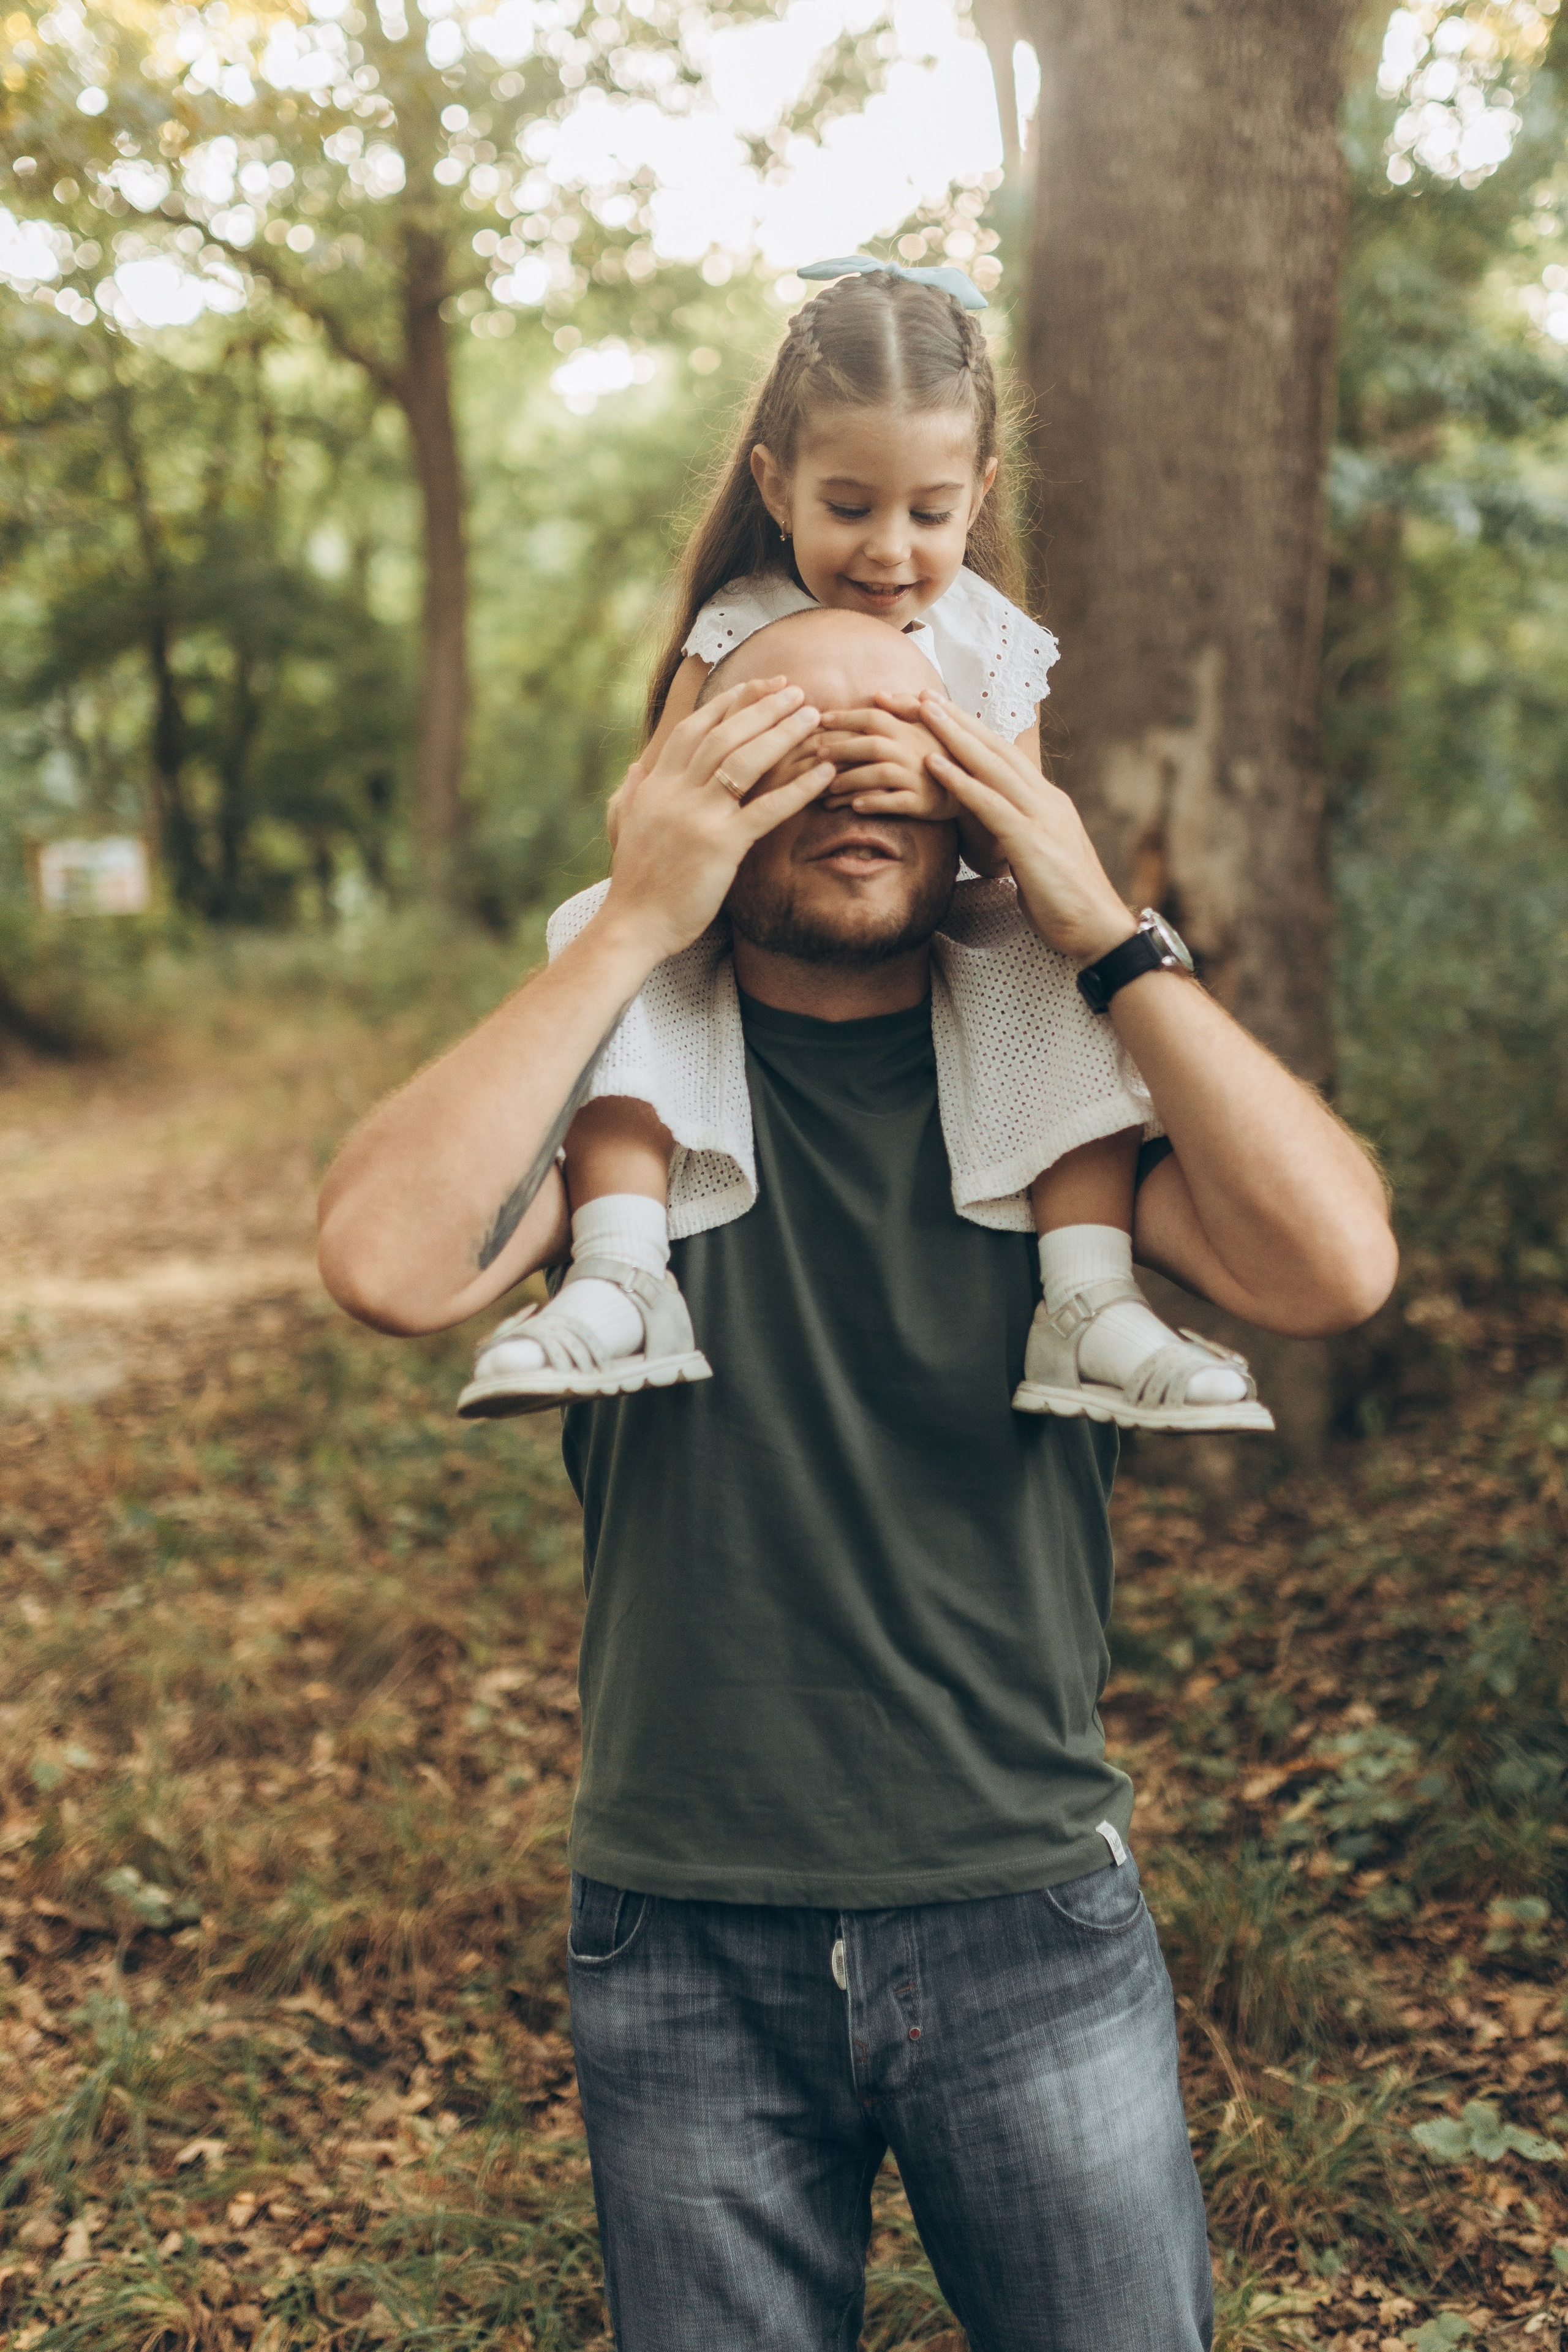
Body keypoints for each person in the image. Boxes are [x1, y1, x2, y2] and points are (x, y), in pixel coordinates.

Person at [316, 620, 1398, 2351]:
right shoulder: (641, 1098)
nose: (854, 790)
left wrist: (1104, 932)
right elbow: (384, 1258)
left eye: (904, 745)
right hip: (680, 1938)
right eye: (790, 749)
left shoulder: (1054, 1117)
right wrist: (627, 927)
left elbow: (1336, 1268)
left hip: (1026, 1912)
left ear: (978, 786)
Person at [453, 258, 1273, 1435]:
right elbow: (647, 815)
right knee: (605, 929)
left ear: (979, 492)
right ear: (775, 485)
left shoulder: (990, 641)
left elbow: (1020, 838)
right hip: (753, 915)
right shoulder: (741, 620)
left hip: (939, 923)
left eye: (930, 514)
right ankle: (622, 1268)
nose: (891, 550)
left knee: (1059, 961)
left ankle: (1088, 1294)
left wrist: (944, 801)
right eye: (851, 507)